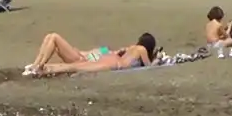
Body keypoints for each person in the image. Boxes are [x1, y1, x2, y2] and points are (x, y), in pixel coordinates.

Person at [23, 32, 156, 77]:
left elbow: (93, 55)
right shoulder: (139, 50)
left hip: (85, 57)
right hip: (85, 57)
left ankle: (37, 66)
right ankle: (38, 66)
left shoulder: (113, 52)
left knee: (53, 37)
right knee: (53, 37)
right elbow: (149, 66)